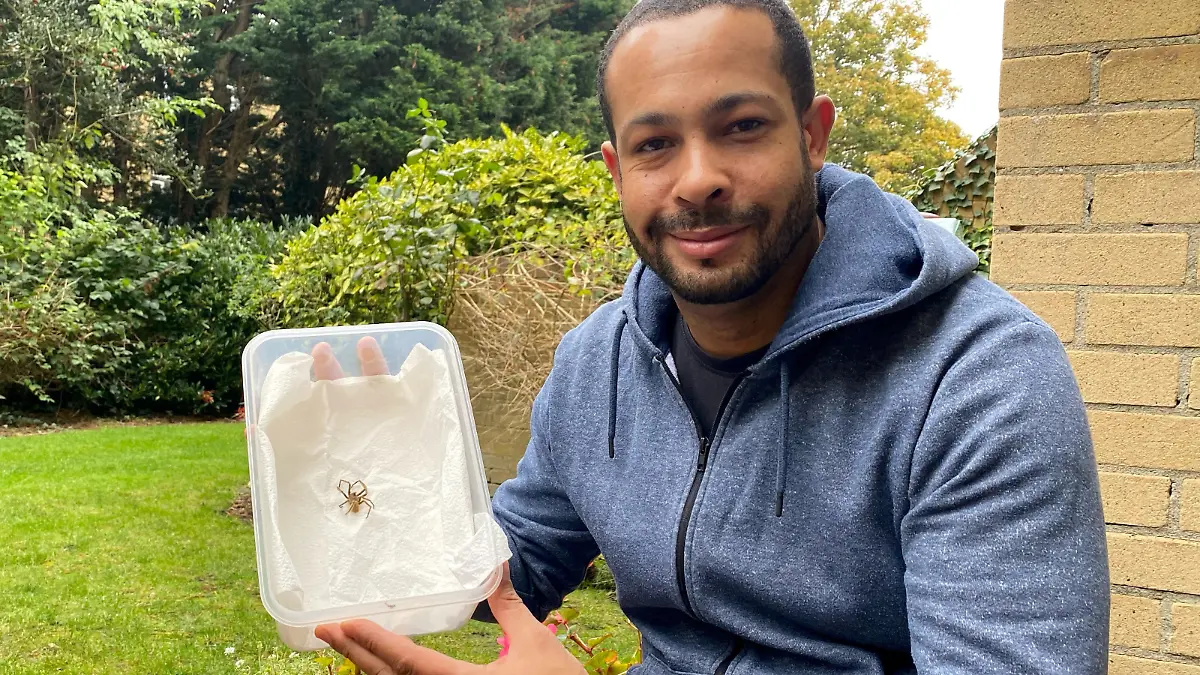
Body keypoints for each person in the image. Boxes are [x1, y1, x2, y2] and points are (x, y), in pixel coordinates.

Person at [314, 0, 1110, 672]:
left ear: (813, 136)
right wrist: (394, 483)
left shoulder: (978, 378)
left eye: (742, 126)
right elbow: (510, 567)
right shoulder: (596, 363)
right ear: (617, 171)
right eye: (655, 144)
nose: (697, 179)